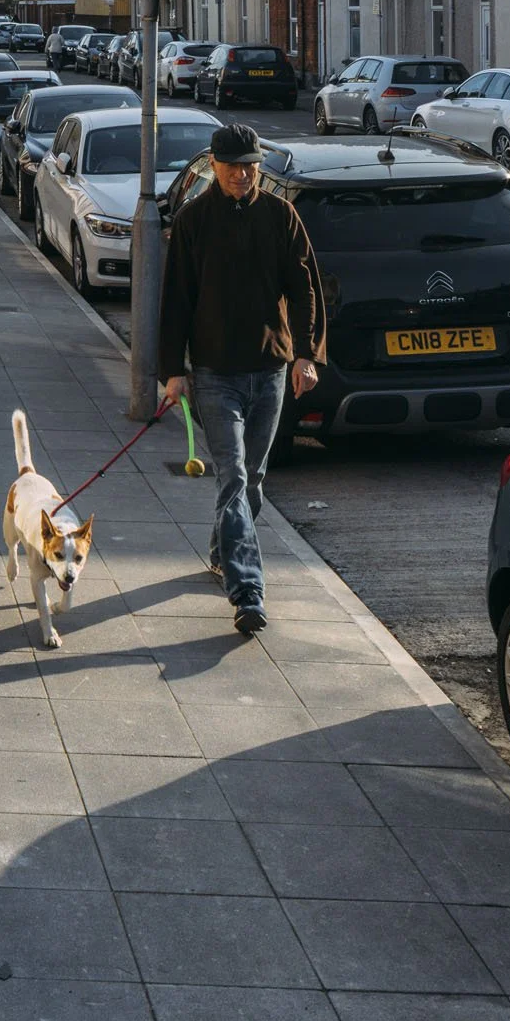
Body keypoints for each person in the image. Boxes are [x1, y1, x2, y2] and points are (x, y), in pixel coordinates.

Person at [159, 120, 325, 638]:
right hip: (213, 373)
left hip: (271, 369)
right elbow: (175, 302)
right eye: (233, 166)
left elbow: (304, 289)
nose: (242, 175)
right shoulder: (192, 222)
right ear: (213, 165)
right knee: (232, 474)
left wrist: (304, 355)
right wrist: (171, 371)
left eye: (250, 166)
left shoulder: (282, 216)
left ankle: (219, 548)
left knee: (252, 478)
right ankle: (247, 591)